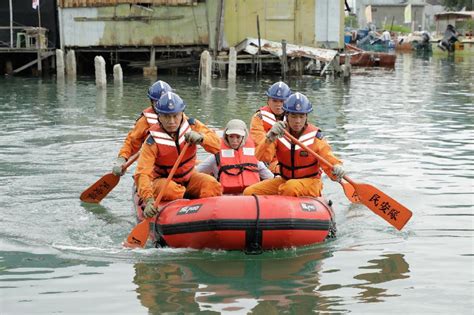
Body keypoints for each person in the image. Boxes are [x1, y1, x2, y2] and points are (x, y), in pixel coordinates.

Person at [135, 92, 223, 218]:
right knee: (171, 190)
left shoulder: (193, 125)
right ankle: (187, 211)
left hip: (189, 177)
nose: (171, 121)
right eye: (166, 116)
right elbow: (143, 173)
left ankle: (207, 216)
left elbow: (217, 145)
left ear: (182, 113)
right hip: (163, 181)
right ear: (159, 116)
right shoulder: (152, 141)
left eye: (175, 116)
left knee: (211, 184)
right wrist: (148, 200)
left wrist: (202, 138)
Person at [243, 92, 345, 198]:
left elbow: (328, 158)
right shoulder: (279, 133)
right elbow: (262, 157)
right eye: (293, 116)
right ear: (286, 115)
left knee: (289, 187)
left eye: (301, 116)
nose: (297, 121)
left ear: (306, 116)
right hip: (285, 179)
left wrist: (337, 167)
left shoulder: (316, 137)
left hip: (311, 182)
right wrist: (269, 138)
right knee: (249, 192)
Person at [112, 80, 172, 176]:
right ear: (152, 102)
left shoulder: (179, 116)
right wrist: (122, 159)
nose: (161, 106)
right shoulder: (144, 121)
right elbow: (131, 143)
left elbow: (200, 130)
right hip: (153, 166)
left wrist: (200, 137)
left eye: (164, 101)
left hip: (176, 164)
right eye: (158, 102)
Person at [196, 119, 274, 194]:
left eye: (238, 137)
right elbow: (196, 173)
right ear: (226, 137)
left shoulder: (254, 156)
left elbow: (269, 177)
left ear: (244, 137)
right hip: (224, 199)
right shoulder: (216, 157)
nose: (234, 140)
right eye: (231, 136)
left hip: (250, 197)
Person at [249, 81, 291, 174]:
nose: (278, 104)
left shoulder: (295, 117)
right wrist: (271, 136)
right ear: (268, 101)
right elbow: (260, 147)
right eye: (275, 100)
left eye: (282, 101)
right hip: (268, 161)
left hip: (289, 159)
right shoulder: (259, 117)